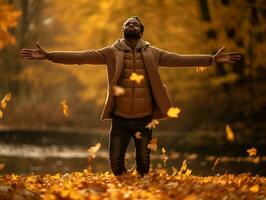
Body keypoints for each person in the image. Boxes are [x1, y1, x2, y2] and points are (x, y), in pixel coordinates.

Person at [20, 16, 241, 177]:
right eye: (127, 24)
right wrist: (50, 56)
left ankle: (140, 191)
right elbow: (81, 56)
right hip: (120, 118)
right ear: (123, 30)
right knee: (115, 164)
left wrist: (211, 59)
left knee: (144, 164)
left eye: (135, 24)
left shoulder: (153, 53)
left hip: (145, 118)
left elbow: (181, 59)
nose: (131, 26)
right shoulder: (110, 52)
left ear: (141, 31)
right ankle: (124, 188)